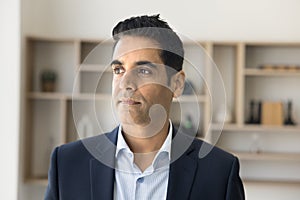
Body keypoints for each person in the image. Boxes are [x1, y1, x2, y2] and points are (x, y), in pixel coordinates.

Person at [45, 14, 245, 200]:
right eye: (118, 69)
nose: (125, 83)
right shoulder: (66, 164)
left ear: (176, 84)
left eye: (143, 70)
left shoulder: (219, 173)